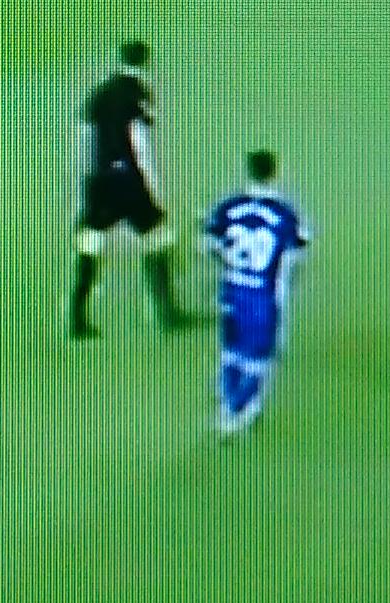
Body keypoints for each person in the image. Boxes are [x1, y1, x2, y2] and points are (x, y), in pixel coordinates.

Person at [69, 41, 194, 339]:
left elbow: (85, 140)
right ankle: (165, 312)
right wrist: (153, 191)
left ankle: (77, 316)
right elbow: (141, 145)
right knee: (157, 237)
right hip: (130, 182)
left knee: (91, 243)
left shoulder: (100, 93)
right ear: (146, 62)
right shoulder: (138, 94)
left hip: (100, 181)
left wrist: (88, 186)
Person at [203, 151, 311, 438]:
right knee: (260, 359)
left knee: (231, 352)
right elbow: (295, 257)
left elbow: (209, 244)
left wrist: (227, 266)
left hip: (232, 290)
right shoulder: (285, 214)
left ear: (249, 171)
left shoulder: (229, 207)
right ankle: (239, 412)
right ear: (274, 172)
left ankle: (227, 403)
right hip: (264, 297)